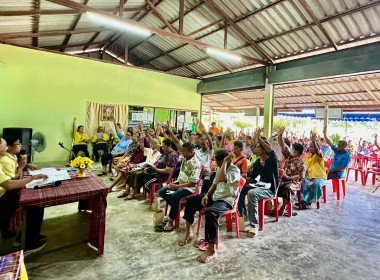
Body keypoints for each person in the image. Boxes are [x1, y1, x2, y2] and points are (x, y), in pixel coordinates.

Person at [184, 149, 240, 263]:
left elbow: (222, 178)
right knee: (190, 202)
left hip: (226, 200)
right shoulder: (220, 168)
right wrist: (207, 195)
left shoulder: (234, 170)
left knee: (210, 213)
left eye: (219, 161)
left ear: (226, 161)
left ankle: (212, 249)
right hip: (215, 197)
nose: (217, 164)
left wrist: (224, 163)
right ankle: (189, 232)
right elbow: (214, 184)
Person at [0, 138, 48, 254]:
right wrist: (32, 177)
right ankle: (29, 242)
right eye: (5, 146)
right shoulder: (4, 160)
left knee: (33, 199)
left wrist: (23, 166)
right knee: (34, 203)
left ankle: (25, 236)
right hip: (4, 198)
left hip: (6, 195)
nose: (6, 149)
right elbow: (10, 184)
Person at [238, 128, 279, 237]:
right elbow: (252, 178)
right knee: (241, 189)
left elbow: (271, 150)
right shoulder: (257, 162)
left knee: (252, 193)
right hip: (261, 186)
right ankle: (242, 216)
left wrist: (259, 138)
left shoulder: (272, 159)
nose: (254, 149)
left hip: (270, 189)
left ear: (264, 149)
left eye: (257, 147)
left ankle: (254, 225)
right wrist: (240, 182)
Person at [157, 138, 201, 231]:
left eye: (184, 152)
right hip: (180, 182)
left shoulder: (195, 163)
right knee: (162, 192)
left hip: (190, 187)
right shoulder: (185, 158)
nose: (182, 154)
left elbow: (193, 183)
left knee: (176, 195)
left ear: (191, 152)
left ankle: (171, 220)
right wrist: (176, 185)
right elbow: (177, 142)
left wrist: (177, 187)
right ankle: (176, 207)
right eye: (182, 152)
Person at [277, 128, 306, 216]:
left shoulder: (301, 162)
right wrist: (280, 136)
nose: (290, 149)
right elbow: (283, 146)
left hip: (293, 181)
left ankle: (282, 208)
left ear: (296, 151)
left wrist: (289, 178)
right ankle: (273, 206)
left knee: (288, 188)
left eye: (292, 148)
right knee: (273, 184)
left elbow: (301, 175)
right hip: (283, 178)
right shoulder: (289, 156)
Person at [300, 131, 327, 209]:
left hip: (319, 176)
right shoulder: (307, 157)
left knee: (316, 184)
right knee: (302, 182)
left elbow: (317, 151)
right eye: (311, 147)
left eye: (313, 147)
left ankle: (310, 201)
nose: (311, 148)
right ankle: (303, 200)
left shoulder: (319, 156)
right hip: (308, 176)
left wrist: (314, 142)